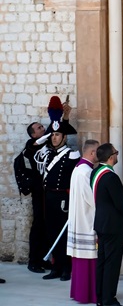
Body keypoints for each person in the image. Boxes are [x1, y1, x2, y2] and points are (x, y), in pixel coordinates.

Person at [21, 100, 71, 273]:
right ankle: (34, 260)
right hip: (39, 193)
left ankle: (50, 260)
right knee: (39, 226)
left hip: (52, 194)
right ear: (34, 135)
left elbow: (59, 131)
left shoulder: (50, 146)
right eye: (40, 128)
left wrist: (62, 117)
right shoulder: (33, 147)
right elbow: (43, 139)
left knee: (50, 227)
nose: (45, 130)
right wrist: (54, 122)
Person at [42, 96, 80, 281]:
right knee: (51, 232)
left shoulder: (72, 155)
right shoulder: (47, 154)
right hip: (49, 198)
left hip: (64, 199)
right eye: (53, 135)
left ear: (64, 137)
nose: (54, 137)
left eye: (58, 135)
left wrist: (65, 119)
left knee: (64, 234)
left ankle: (66, 268)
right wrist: (57, 119)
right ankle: (55, 267)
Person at [91, 143, 123, 306]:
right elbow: (120, 202)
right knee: (112, 263)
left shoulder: (95, 172)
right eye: (116, 152)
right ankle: (108, 299)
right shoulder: (110, 176)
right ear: (111, 157)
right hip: (112, 225)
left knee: (102, 260)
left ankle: (100, 296)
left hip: (100, 222)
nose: (117, 155)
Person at [67, 139, 99, 304]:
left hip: (79, 219)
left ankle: (80, 293)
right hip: (86, 221)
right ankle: (89, 294)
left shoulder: (79, 168)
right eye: (97, 151)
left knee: (81, 260)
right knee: (88, 259)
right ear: (92, 152)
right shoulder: (86, 171)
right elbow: (91, 198)